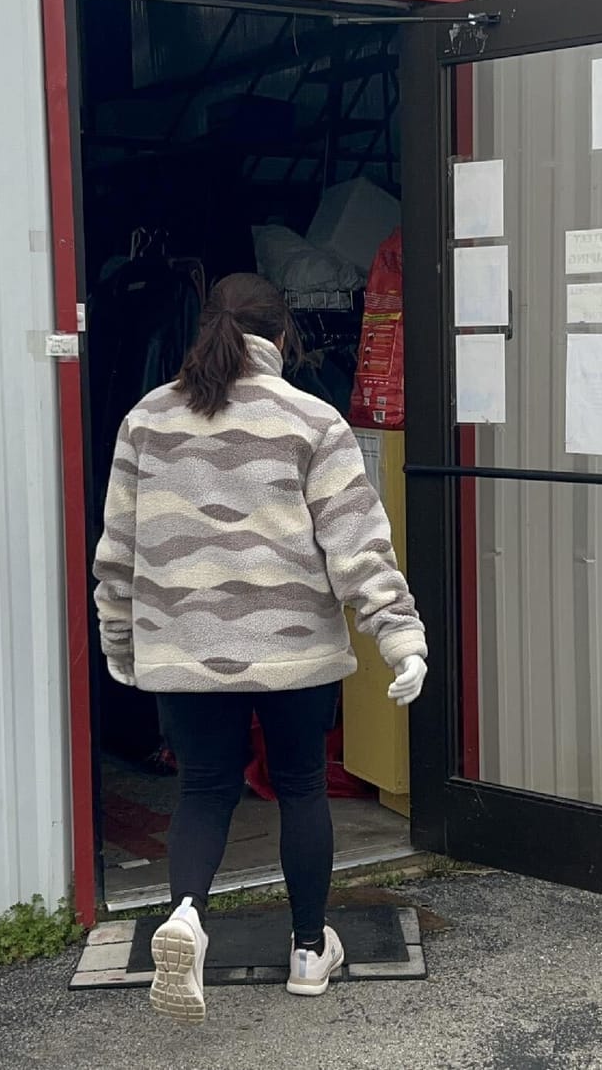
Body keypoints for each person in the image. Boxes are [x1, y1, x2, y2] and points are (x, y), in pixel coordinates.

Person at [92, 272, 428, 1025]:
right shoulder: (312, 420)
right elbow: (358, 546)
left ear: (205, 329)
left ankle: (183, 914)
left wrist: (121, 642)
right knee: (303, 785)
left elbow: (118, 549)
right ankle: (310, 951)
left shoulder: (146, 420)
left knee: (204, 790)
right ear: (282, 338)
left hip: (186, 649)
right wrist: (401, 637)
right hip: (292, 649)